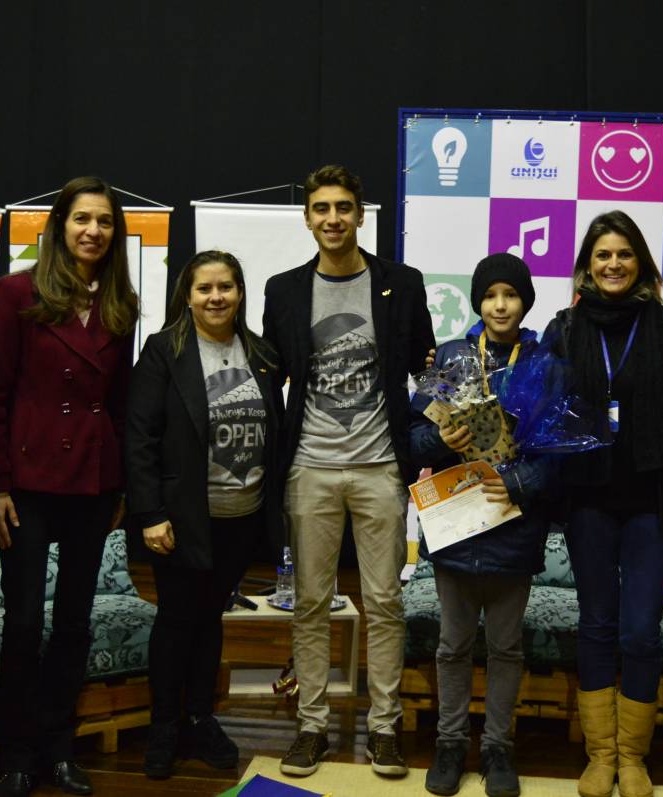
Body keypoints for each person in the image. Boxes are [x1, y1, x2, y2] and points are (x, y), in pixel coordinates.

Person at [263, 164, 436, 778]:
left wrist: (443, 430)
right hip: (310, 466)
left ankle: (384, 729)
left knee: (384, 601)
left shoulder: (402, 284)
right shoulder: (284, 290)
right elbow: (272, 376)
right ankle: (311, 726)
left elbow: (426, 369)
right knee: (310, 602)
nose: (332, 218)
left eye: (343, 207)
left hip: (381, 466)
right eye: (321, 208)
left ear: (361, 215)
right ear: (307, 218)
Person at [545, 210, 663, 797]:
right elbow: (542, 415)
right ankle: (601, 755)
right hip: (587, 501)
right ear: (586, 266)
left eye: (623, 254)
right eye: (602, 255)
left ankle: (634, 757)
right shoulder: (565, 329)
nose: (613, 264)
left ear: (640, 261)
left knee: (640, 631)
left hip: (653, 503)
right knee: (596, 625)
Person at [0, 176, 138, 797]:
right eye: (82, 219)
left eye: (104, 221)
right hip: (27, 481)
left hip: (93, 481)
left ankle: (58, 747)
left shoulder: (121, 302)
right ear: (58, 226)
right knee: (24, 622)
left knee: (75, 621)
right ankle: (16, 754)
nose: (92, 231)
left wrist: (121, 485)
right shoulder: (17, 292)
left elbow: (121, 403)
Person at [125, 251, 283, 779]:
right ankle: (165, 726)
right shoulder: (163, 351)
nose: (216, 297)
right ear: (187, 296)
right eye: (205, 289)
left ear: (240, 292)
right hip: (181, 519)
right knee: (177, 619)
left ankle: (200, 718)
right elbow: (140, 438)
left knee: (211, 617)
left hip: (243, 515)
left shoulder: (261, 352)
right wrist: (150, 513)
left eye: (226, 287)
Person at [411, 253, 552, 797]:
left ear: (525, 302)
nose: (500, 305)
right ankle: (449, 743)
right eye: (490, 295)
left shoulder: (542, 362)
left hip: (512, 525)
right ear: (477, 302)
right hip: (456, 524)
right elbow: (412, 437)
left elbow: (556, 452)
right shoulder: (451, 357)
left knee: (506, 648)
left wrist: (519, 483)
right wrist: (438, 439)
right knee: (451, 646)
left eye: (510, 295)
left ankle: (497, 748)